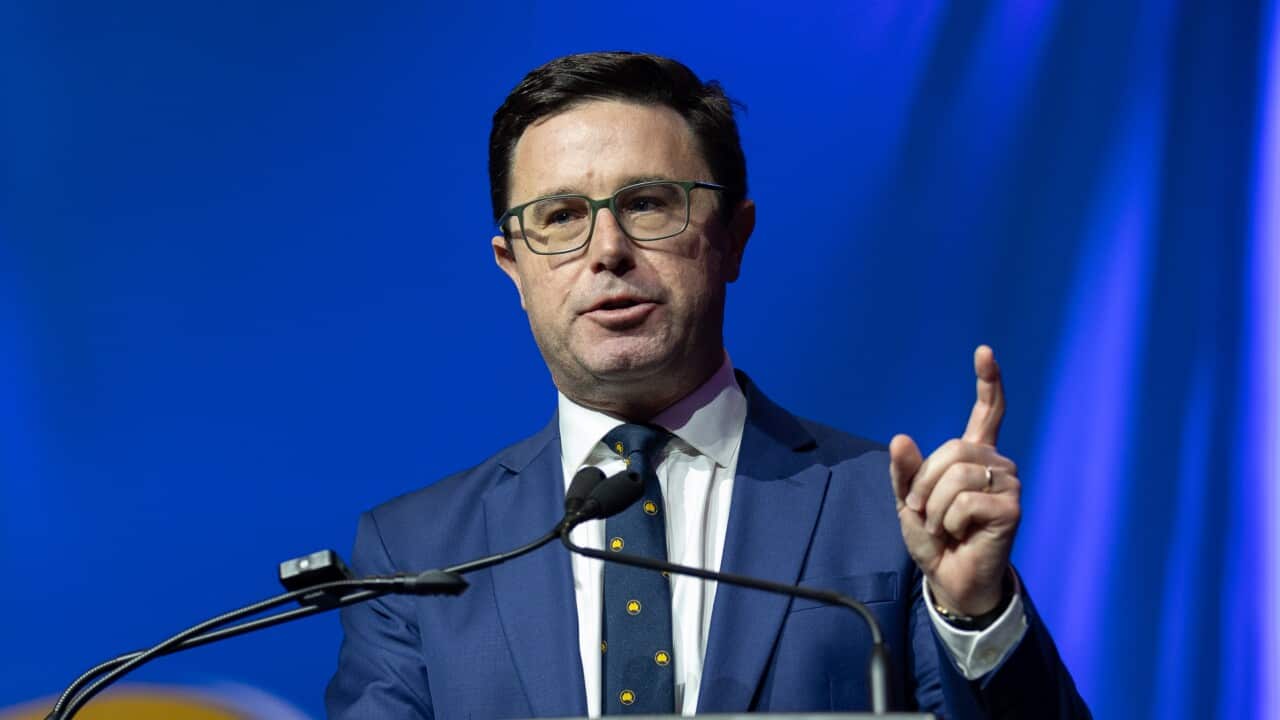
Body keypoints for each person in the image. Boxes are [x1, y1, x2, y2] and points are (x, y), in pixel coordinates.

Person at [326, 51, 1089, 718]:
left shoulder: (891, 512)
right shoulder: (416, 555)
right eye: (560, 216)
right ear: (513, 267)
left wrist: (975, 615)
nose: (608, 251)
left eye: (648, 204)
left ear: (734, 238)